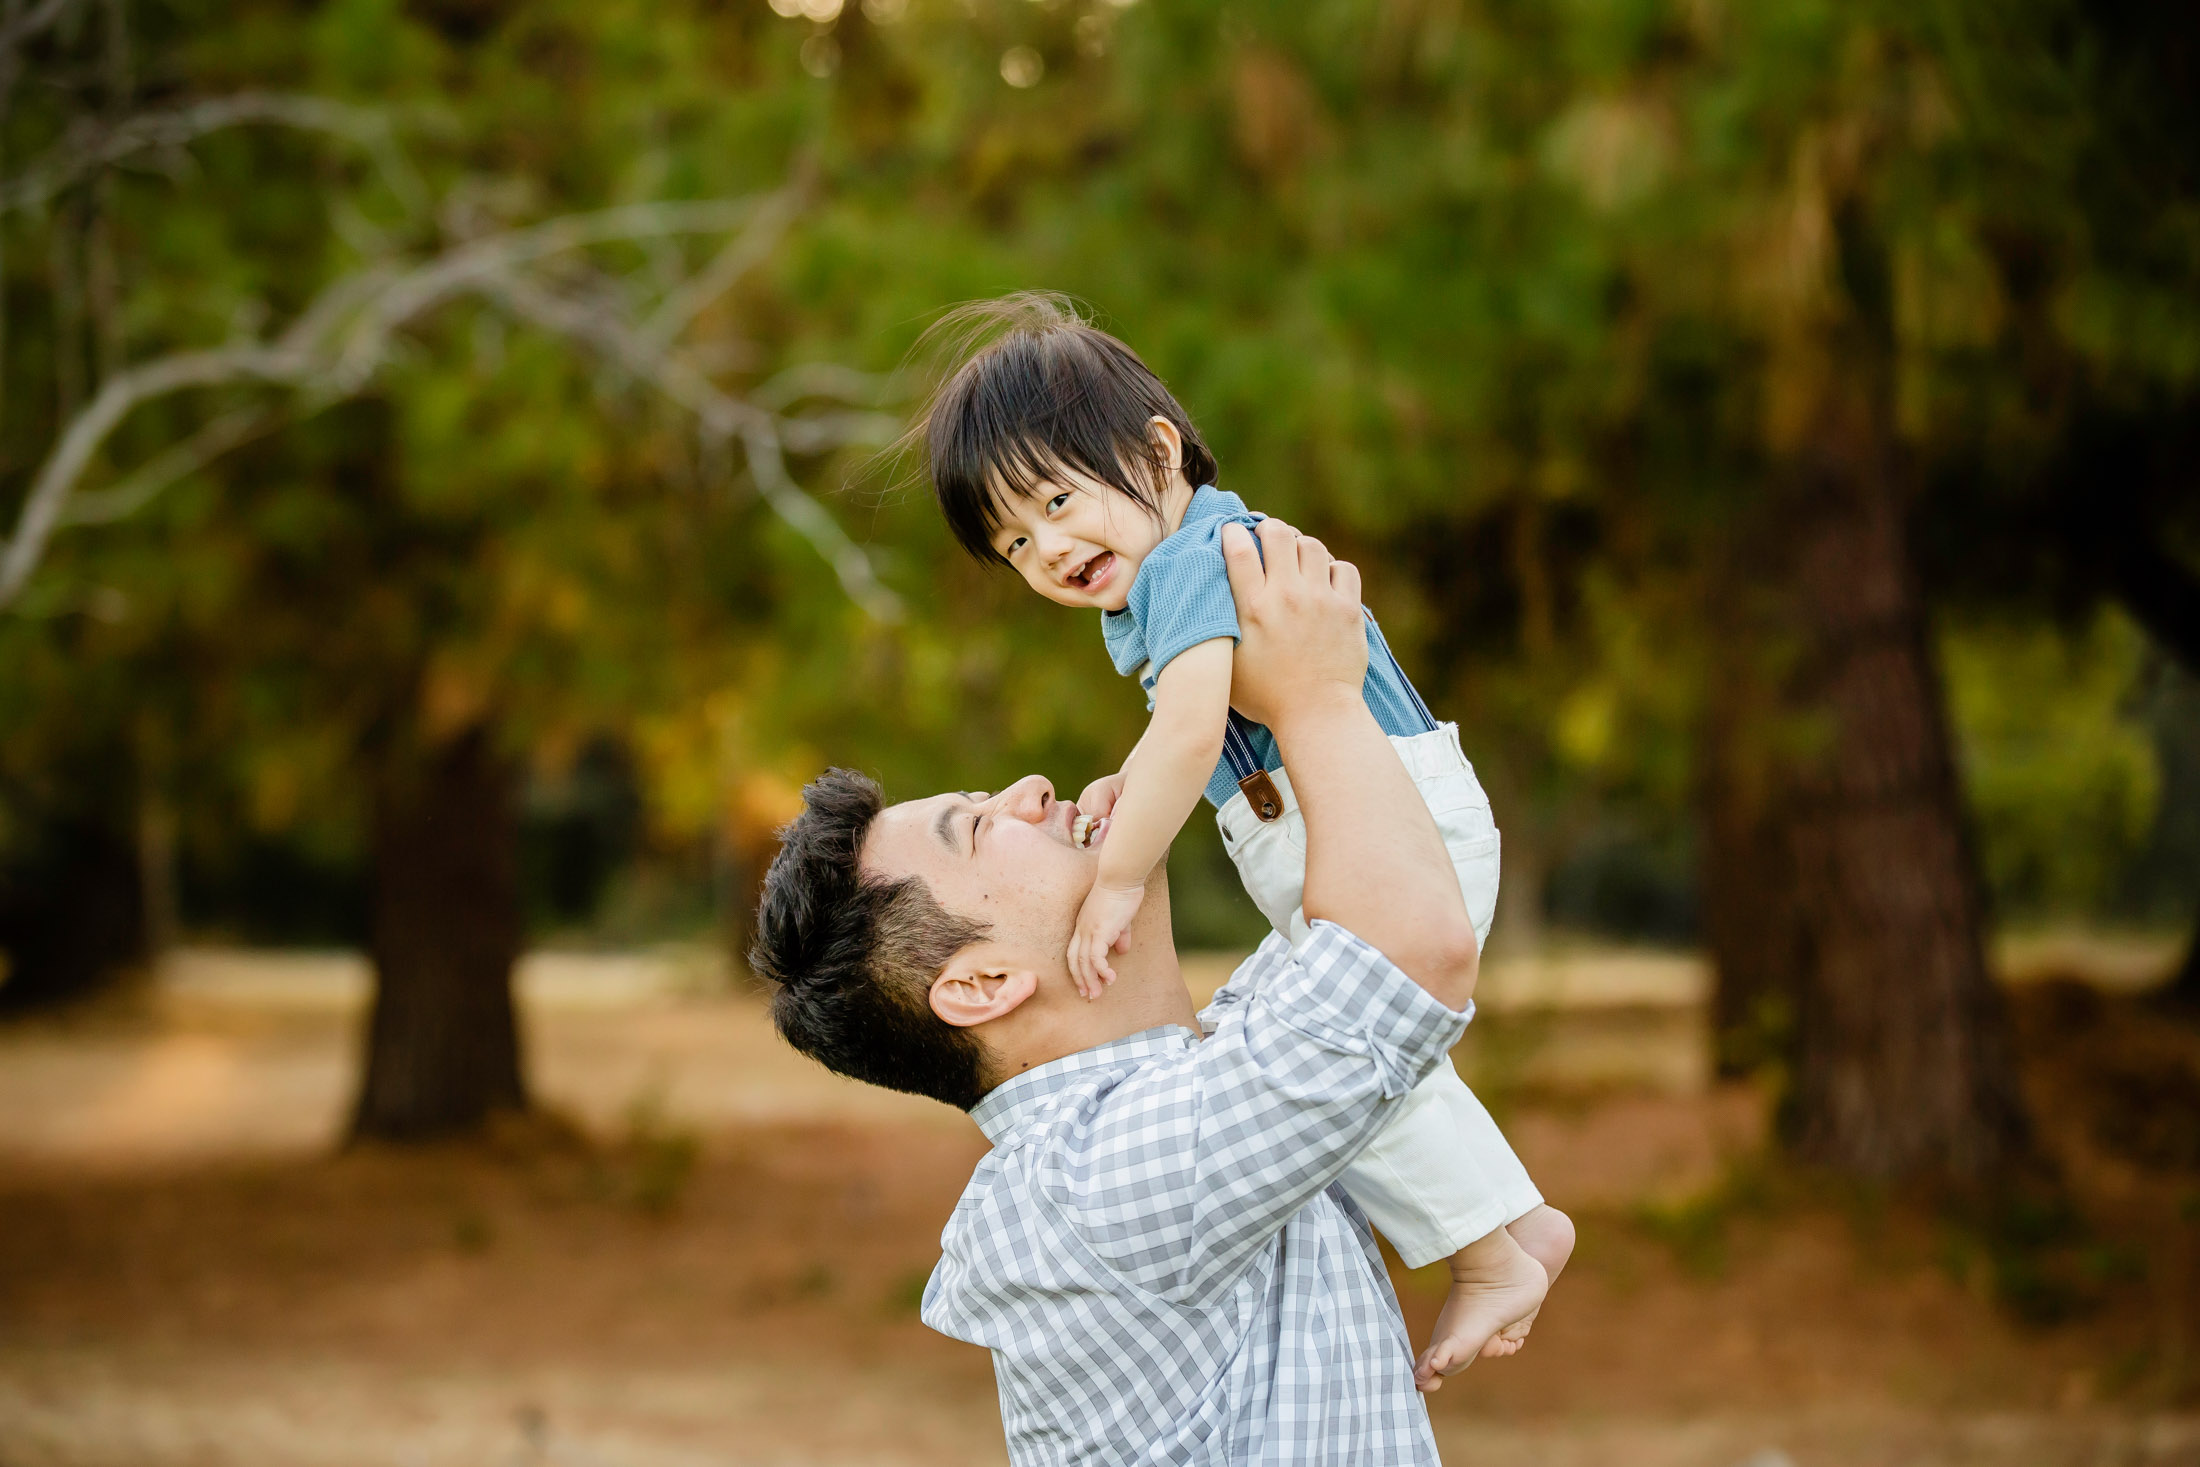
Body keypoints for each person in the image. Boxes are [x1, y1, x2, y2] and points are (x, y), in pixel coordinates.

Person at [752, 518, 1545, 1463]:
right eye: (976, 826)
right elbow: (1407, 954)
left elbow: (1370, 933)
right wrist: (1318, 696)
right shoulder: (1097, 1182)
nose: (1032, 788)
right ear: (982, 983)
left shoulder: (1189, 1079)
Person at [918, 294, 1571, 1381]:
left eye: (1057, 500)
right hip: (1335, 825)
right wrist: (1132, 779)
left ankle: (1490, 1247)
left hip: (1378, 821)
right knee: (1312, 1053)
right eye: (1015, 542)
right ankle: (1511, 1229)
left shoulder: (1190, 559)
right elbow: (1193, 725)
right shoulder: (1165, 574)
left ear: (1156, 450)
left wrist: (1119, 879)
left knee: (1323, 1058)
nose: (1049, 549)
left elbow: (1188, 734)